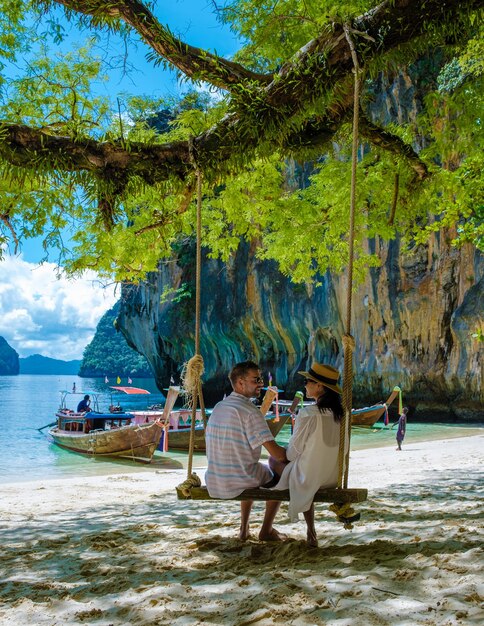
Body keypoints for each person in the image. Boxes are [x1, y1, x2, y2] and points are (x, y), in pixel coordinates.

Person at [205, 360, 288, 542]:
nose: (261, 384)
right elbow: (278, 454)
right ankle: (266, 530)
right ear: (240, 383)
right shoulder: (250, 412)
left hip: (214, 479)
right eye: (256, 380)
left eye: (260, 379)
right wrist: (299, 452)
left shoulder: (220, 407)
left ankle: (244, 528)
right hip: (239, 479)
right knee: (281, 472)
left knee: (249, 466)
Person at [269, 362, 344, 548]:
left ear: (320, 386)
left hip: (311, 478)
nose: (305, 384)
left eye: (308, 381)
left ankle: (308, 530)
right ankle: (310, 532)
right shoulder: (343, 414)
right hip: (333, 477)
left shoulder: (308, 413)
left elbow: (293, 454)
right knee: (307, 470)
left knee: (273, 461)